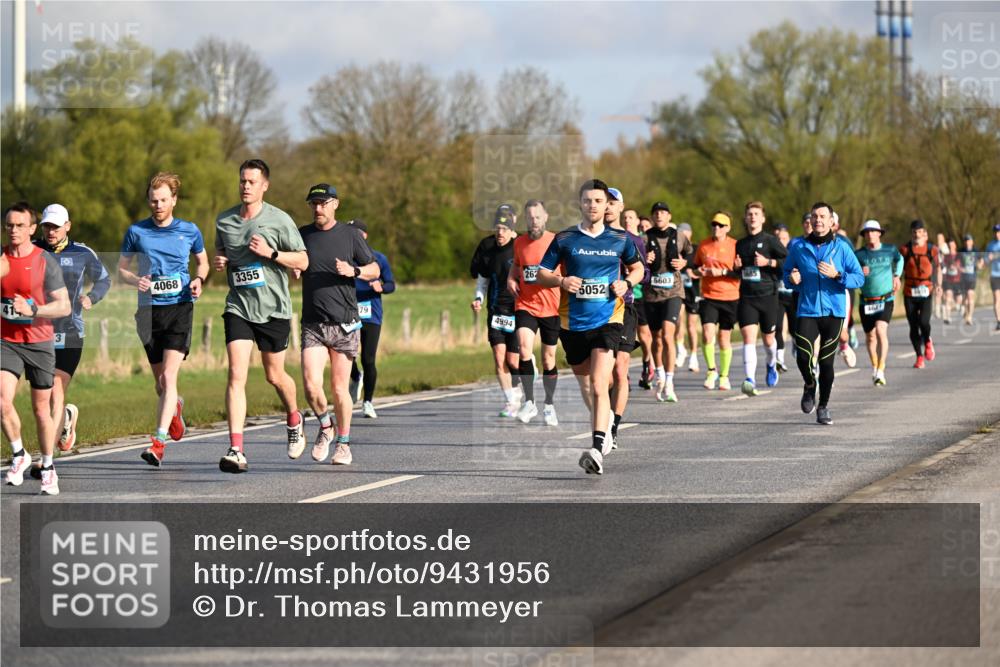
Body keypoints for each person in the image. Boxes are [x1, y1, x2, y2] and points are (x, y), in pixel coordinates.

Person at [536, 179, 643, 475]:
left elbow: (637, 269)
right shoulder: (564, 239)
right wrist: (561, 281)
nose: (592, 206)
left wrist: (626, 283)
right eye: (587, 201)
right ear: (580, 204)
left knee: (598, 382)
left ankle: (596, 448)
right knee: (586, 384)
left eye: (598, 201)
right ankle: (603, 424)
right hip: (572, 322)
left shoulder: (620, 239)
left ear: (606, 204)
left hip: (609, 318)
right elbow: (541, 274)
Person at [213, 159, 308, 473]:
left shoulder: (279, 220)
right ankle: (236, 449)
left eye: (252, 181)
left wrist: (272, 253)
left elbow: (303, 261)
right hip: (238, 306)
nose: (245, 186)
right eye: (242, 180)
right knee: (236, 374)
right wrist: (221, 260)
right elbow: (223, 251)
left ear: (264, 186)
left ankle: (294, 417)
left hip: (273, 308)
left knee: (274, 376)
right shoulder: (224, 220)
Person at [118, 173, 209, 467]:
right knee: (161, 384)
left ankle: (158, 443)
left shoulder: (189, 230)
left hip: (179, 308)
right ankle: (175, 408)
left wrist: (199, 279)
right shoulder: (136, 231)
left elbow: (203, 261)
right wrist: (136, 280)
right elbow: (122, 269)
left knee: (169, 377)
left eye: (163, 200)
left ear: (174, 200)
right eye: (153, 200)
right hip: (148, 312)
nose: (158, 205)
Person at [298, 184, 379, 466]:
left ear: (335, 204)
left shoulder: (350, 235)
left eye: (323, 203)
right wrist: (294, 267)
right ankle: (325, 425)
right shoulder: (303, 234)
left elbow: (374, 269)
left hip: (345, 323)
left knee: (339, 388)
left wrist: (353, 270)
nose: (317, 208)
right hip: (313, 323)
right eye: (313, 203)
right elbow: (295, 260)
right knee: (311, 386)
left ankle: (343, 444)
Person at [2, 202, 71, 494]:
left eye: (20, 225)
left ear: (32, 229)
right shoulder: (1, 259)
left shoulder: (44, 261)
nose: (14, 230)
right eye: (9, 225)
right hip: (6, 341)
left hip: (39, 342)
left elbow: (64, 306)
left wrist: (33, 309)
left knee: (41, 409)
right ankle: (19, 454)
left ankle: (48, 467)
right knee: (2, 400)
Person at [33, 204, 111, 453]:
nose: (51, 231)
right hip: (36, 332)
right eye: (47, 226)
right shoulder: (32, 249)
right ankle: (65, 419)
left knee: (55, 388)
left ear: (67, 226)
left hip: (70, 330)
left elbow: (104, 279)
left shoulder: (82, 253)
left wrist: (91, 298)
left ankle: (46, 458)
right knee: (43, 395)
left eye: (56, 227)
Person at [783, 202, 864, 425]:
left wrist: (837, 275)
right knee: (803, 356)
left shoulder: (842, 248)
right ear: (810, 221)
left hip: (833, 312)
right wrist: (791, 279)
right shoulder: (799, 247)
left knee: (826, 363)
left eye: (822, 216)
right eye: (814, 216)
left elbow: (859, 278)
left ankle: (823, 406)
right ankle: (810, 385)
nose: (818, 220)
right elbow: (786, 273)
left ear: (831, 221)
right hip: (807, 309)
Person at [507, 200, 561, 426]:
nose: (534, 221)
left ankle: (549, 404)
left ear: (545, 217)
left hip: (551, 307)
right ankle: (529, 402)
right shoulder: (519, 242)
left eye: (537, 217)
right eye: (530, 217)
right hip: (525, 304)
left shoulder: (556, 241)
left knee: (548, 360)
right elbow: (516, 266)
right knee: (524, 349)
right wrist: (511, 279)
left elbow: (568, 271)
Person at [606, 188, 649, 445]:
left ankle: (612, 427)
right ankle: (603, 417)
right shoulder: (590, 239)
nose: (608, 207)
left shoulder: (631, 240)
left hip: (625, 307)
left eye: (613, 203)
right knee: (603, 374)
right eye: (604, 202)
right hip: (597, 310)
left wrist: (627, 279)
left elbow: (644, 272)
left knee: (620, 369)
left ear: (621, 207)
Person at [471, 205, 521, 417]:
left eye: (504, 229)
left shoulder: (519, 247)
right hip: (495, 311)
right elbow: (482, 281)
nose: (500, 232)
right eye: (497, 228)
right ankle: (511, 401)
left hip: (517, 311)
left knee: (513, 361)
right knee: (500, 360)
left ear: (511, 230)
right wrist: (478, 299)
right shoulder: (488, 249)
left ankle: (524, 377)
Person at [734, 201, 787, 396]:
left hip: (768, 296)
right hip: (747, 297)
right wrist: (736, 267)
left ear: (763, 218)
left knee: (768, 340)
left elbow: (788, 261)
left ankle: (771, 363)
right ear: (746, 218)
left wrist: (768, 262)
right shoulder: (740, 244)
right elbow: (738, 271)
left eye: (756, 214)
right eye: (750, 214)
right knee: (748, 337)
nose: (753, 217)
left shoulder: (771, 241)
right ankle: (750, 379)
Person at [644, 201, 693, 402]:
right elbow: (633, 260)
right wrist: (644, 259)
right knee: (656, 338)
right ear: (652, 217)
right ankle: (660, 375)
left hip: (674, 292)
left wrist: (684, 262)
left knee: (667, 335)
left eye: (663, 212)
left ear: (669, 216)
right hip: (651, 294)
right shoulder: (645, 237)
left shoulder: (679, 236)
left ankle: (670, 381)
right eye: (656, 213)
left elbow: (691, 253)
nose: (659, 215)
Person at [349, 219, 395, 419]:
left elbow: (391, 284)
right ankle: (355, 377)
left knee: (368, 359)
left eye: (356, 233)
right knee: (346, 355)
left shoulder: (378, 258)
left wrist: (381, 287)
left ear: (365, 236)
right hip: (348, 313)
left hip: (371, 315)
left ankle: (368, 402)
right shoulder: (344, 259)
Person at [693, 211, 739, 391]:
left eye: (721, 225)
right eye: (714, 224)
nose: (716, 228)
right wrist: (698, 272)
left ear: (728, 228)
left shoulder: (735, 245)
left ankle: (724, 376)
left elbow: (740, 273)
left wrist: (721, 272)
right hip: (709, 296)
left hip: (730, 297)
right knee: (707, 334)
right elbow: (695, 268)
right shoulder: (704, 245)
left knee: (724, 338)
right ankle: (711, 371)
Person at [854, 220, 903, 386]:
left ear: (879, 233)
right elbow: (849, 270)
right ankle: (874, 366)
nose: (870, 234)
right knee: (870, 337)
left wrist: (896, 276)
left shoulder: (890, 249)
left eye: (873, 231)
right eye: (867, 232)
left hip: (885, 299)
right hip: (866, 301)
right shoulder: (859, 254)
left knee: (881, 330)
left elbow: (900, 259)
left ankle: (881, 369)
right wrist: (858, 271)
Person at [900, 219, 941, 369]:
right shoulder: (904, 250)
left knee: (924, 322)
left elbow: (938, 268)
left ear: (925, 234)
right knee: (913, 326)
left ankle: (928, 341)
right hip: (909, 292)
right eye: (914, 232)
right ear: (911, 234)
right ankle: (919, 356)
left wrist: (939, 285)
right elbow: (898, 268)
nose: (917, 235)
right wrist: (895, 280)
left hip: (926, 290)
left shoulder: (932, 249)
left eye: (919, 232)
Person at [624, 208, 655, 389]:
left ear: (637, 221)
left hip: (638, 294)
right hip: (622, 297)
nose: (627, 220)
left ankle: (647, 364)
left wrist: (637, 271)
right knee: (624, 338)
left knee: (644, 336)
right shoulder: (617, 238)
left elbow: (645, 271)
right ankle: (624, 373)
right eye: (625, 217)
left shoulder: (640, 241)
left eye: (630, 217)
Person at [677, 223, 702, 373]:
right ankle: (681, 349)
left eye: (685, 233)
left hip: (693, 291)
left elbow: (702, 267)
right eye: (680, 233)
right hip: (678, 291)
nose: (683, 236)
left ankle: (693, 355)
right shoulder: (674, 249)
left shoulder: (696, 249)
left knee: (691, 325)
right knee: (678, 320)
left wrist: (695, 272)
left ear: (690, 234)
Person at [774, 223, 794, 372]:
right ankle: (779, 359)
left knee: (794, 328)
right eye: (779, 238)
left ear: (789, 239)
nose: (781, 241)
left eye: (784, 238)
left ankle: (796, 345)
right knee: (779, 327)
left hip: (793, 296)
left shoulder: (794, 253)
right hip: (778, 296)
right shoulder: (771, 255)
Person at [957, 233, 983, 326]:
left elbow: (981, 260)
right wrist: (960, 268)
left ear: (972, 242)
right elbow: (955, 262)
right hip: (963, 277)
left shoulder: (976, 251)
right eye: (966, 241)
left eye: (969, 241)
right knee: (965, 298)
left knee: (970, 295)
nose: (967, 243)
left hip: (972, 277)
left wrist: (979, 266)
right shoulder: (961, 251)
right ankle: (966, 313)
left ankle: (970, 317)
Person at [941, 238, 962, 324]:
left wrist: (956, 266)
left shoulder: (959, 255)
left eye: (952, 245)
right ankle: (948, 317)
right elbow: (943, 266)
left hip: (958, 280)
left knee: (959, 299)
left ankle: (957, 306)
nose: (951, 247)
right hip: (948, 280)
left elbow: (963, 266)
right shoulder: (946, 256)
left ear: (955, 245)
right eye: (949, 246)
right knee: (948, 297)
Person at [987, 223, 1000, 331]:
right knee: (996, 299)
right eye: (995, 232)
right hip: (995, 275)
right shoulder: (990, 245)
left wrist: (994, 256)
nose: (997, 234)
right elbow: (986, 259)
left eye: (999, 232)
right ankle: (999, 321)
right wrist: (987, 259)